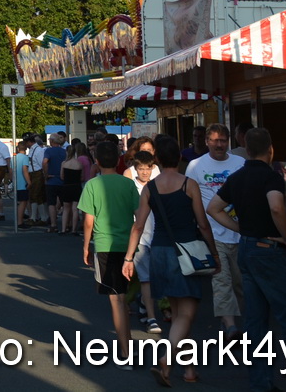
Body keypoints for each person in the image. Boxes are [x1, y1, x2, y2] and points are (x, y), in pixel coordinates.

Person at [208, 127, 286, 392]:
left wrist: (240, 229)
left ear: (246, 150)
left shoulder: (237, 177)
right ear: (271, 150)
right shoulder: (271, 177)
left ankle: (261, 381)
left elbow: (213, 208)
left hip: (246, 248)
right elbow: (276, 206)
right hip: (269, 248)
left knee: (255, 321)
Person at [122, 134, 215, 385]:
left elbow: (138, 226)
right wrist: (213, 253)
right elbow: (203, 224)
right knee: (187, 313)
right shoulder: (189, 185)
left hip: (160, 251)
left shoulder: (150, 188)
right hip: (186, 251)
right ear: (180, 157)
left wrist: (129, 257)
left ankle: (189, 370)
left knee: (177, 314)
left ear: (158, 160)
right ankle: (165, 359)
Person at [79, 138, 139, 351]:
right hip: (127, 246)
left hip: (105, 244)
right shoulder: (128, 183)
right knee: (123, 297)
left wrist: (87, 246)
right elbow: (138, 217)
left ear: (96, 161)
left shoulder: (92, 184)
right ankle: (128, 342)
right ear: (118, 159)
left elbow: (88, 221)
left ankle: (125, 351)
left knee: (116, 300)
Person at [186, 123, 246, 331]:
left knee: (240, 282)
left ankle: (240, 319)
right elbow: (189, 198)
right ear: (207, 142)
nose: (219, 145)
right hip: (212, 232)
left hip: (240, 231)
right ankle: (230, 325)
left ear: (228, 141)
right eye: (215, 141)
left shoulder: (241, 163)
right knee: (221, 279)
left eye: (223, 140)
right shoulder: (195, 166)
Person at [124, 143, 163, 333]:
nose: (145, 172)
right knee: (145, 278)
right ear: (135, 169)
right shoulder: (131, 186)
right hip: (138, 238)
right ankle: (151, 317)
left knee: (156, 276)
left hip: (157, 235)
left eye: (148, 169)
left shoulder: (158, 184)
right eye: (141, 169)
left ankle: (142, 304)